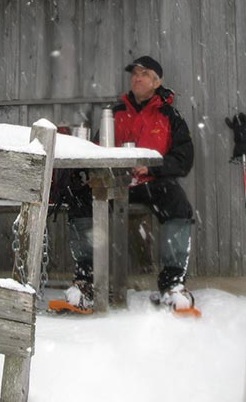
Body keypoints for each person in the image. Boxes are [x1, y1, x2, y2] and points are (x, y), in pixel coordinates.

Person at [59, 55, 196, 312]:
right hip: (114, 182)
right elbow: (97, 149)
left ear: (157, 81)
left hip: (151, 184)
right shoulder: (116, 112)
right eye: (134, 74)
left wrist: (155, 166)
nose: (137, 78)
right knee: (79, 200)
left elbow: (184, 158)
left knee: (179, 204)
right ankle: (85, 282)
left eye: (143, 74)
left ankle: (173, 285)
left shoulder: (170, 115)